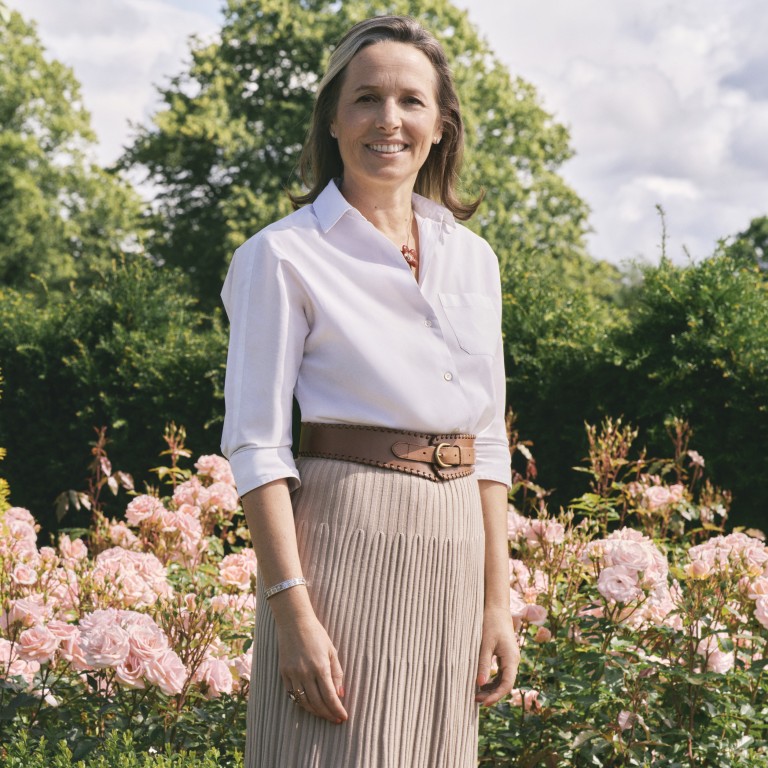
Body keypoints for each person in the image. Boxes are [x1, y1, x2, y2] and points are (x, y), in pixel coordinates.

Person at [221, 14, 519, 768]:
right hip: (344, 545)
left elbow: (487, 439)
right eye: (366, 99)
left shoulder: (474, 260)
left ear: (442, 124)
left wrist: (497, 601)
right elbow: (256, 444)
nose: (390, 120)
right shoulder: (281, 256)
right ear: (332, 117)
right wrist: (291, 611)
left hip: (454, 545)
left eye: (411, 101)